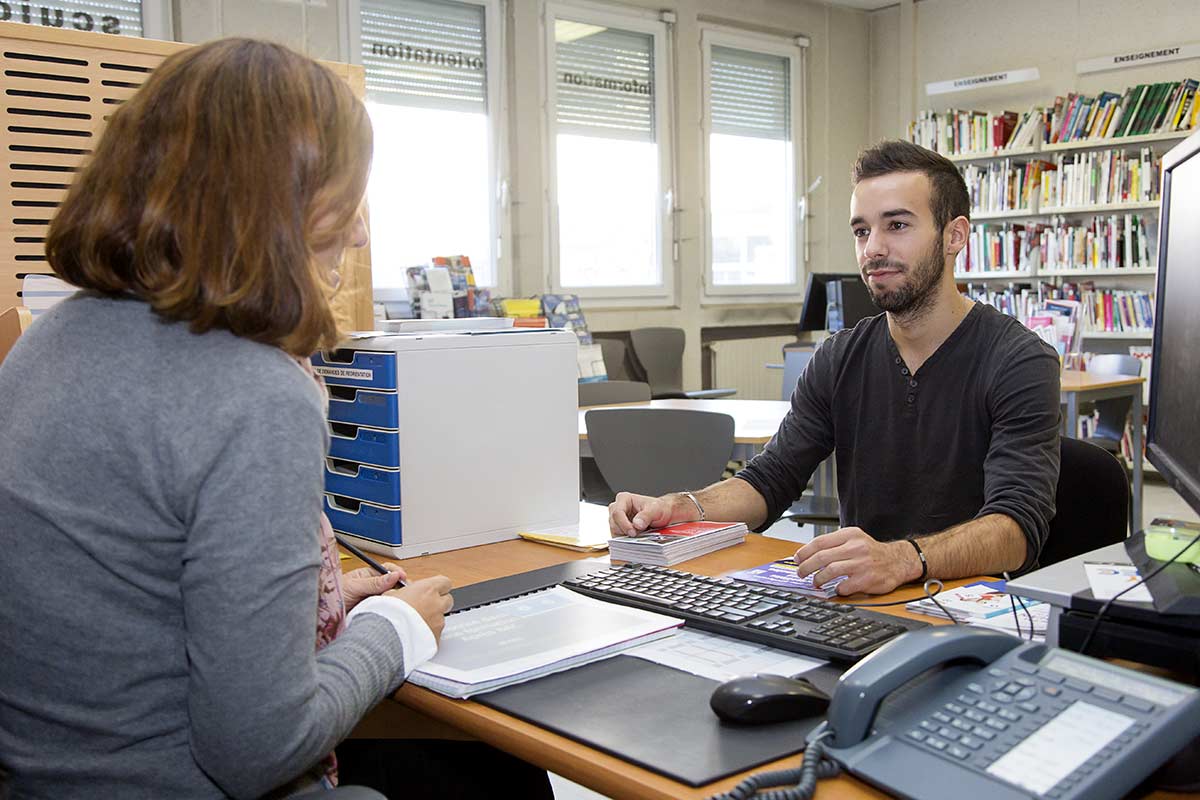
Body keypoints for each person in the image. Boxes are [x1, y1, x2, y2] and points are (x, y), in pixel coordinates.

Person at [0, 38, 543, 800]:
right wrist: (398, 630)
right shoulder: (256, 392)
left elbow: (125, 597)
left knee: (483, 770)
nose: (358, 234)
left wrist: (311, 611)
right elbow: (257, 749)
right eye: (344, 199)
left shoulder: (45, 341)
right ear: (268, 203)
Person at [610, 139, 1061, 596]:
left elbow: (1017, 529)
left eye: (897, 225)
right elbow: (770, 481)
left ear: (954, 236)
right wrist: (683, 507)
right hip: (859, 601)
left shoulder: (1019, 360)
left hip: (969, 615)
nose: (873, 249)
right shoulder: (839, 357)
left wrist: (904, 558)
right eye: (862, 231)